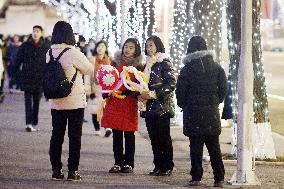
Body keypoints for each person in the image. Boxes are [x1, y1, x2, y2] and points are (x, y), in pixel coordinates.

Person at [175, 36, 227, 187]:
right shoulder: (217, 68)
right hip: (211, 113)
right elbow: (223, 89)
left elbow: (180, 92)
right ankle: (219, 178)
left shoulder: (186, 70)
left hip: (193, 114)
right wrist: (215, 101)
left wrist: (184, 105)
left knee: (195, 148)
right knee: (214, 147)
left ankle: (196, 177)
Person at [47, 21, 93, 181]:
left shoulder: (49, 53)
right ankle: (73, 171)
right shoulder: (73, 52)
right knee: (74, 137)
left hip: (56, 101)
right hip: (74, 102)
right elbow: (89, 69)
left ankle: (56, 170)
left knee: (57, 136)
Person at [102, 38, 143, 173]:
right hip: (115, 102)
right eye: (126, 46)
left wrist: (130, 89)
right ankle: (118, 162)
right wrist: (106, 91)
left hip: (129, 103)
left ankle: (129, 163)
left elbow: (141, 84)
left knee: (129, 134)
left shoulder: (139, 67)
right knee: (117, 134)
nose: (127, 49)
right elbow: (107, 78)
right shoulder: (114, 63)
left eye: (131, 47)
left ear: (136, 50)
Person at [139, 35, 176, 176]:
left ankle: (167, 166)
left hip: (162, 107)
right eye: (147, 45)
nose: (149, 48)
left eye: (151, 45)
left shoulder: (164, 62)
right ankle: (158, 165)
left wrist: (153, 94)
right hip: (149, 108)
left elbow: (171, 83)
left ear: (158, 46)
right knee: (154, 139)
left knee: (164, 138)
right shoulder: (146, 65)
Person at [15, 25, 51, 132]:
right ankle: (28, 123)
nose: (35, 33)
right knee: (27, 101)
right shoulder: (25, 45)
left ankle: (34, 120)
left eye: (37, 31)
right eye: (34, 31)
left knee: (36, 102)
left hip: (40, 79)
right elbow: (18, 59)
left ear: (41, 33)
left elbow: (50, 62)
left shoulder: (47, 46)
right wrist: (16, 73)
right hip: (27, 77)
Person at [85, 40, 112, 137]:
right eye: (99, 46)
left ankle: (107, 128)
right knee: (94, 111)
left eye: (103, 46)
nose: (100, 48)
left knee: (106, 110)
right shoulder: (91, 60)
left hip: (105, 90)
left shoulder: (109, 61)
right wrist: (88, 91)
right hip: (94, 89)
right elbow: (87, 76)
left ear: (105, 49)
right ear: (96, 48)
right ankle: (97, 129)